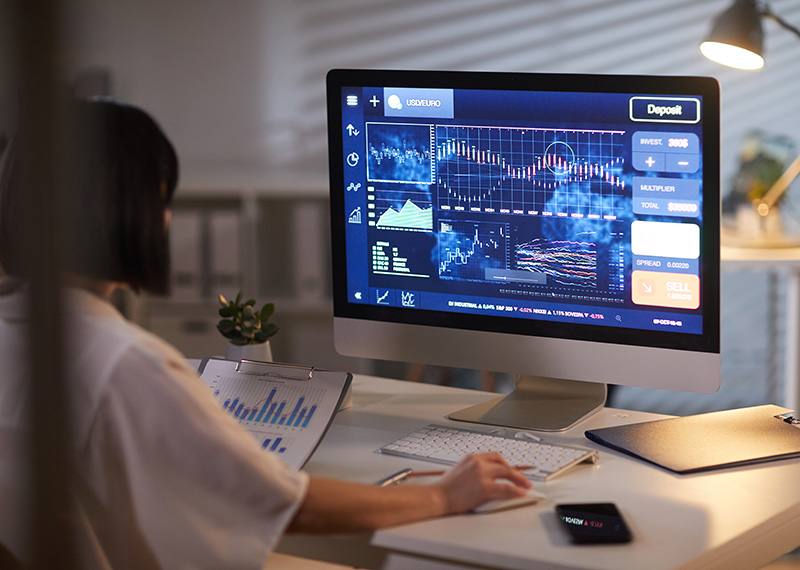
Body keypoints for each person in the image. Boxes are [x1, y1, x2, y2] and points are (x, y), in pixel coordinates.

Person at [0, 98, 531, 569]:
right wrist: (444, 496)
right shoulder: (127, 364)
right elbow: (290, 505)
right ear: (132, 213)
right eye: (162, 200)